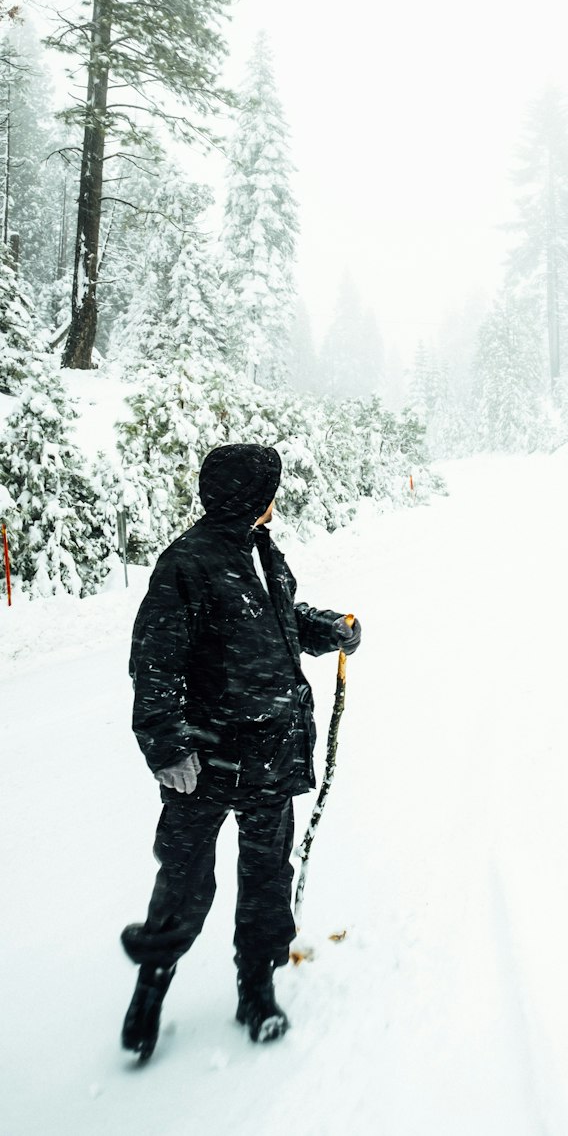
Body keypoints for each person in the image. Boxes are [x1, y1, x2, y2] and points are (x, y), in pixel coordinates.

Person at [120, 442, 361, 1061]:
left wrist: (328, 629)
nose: (275, 498)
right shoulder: (188, 563)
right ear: (251, 495)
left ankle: (256, 990)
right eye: (269, 488)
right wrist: (167, 748)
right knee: (184, 879)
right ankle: (149, 991)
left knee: (264, 878)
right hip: (203, 762)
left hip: (270, 755)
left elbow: (278, 624)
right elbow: (155, 663)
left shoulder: (263, 551)